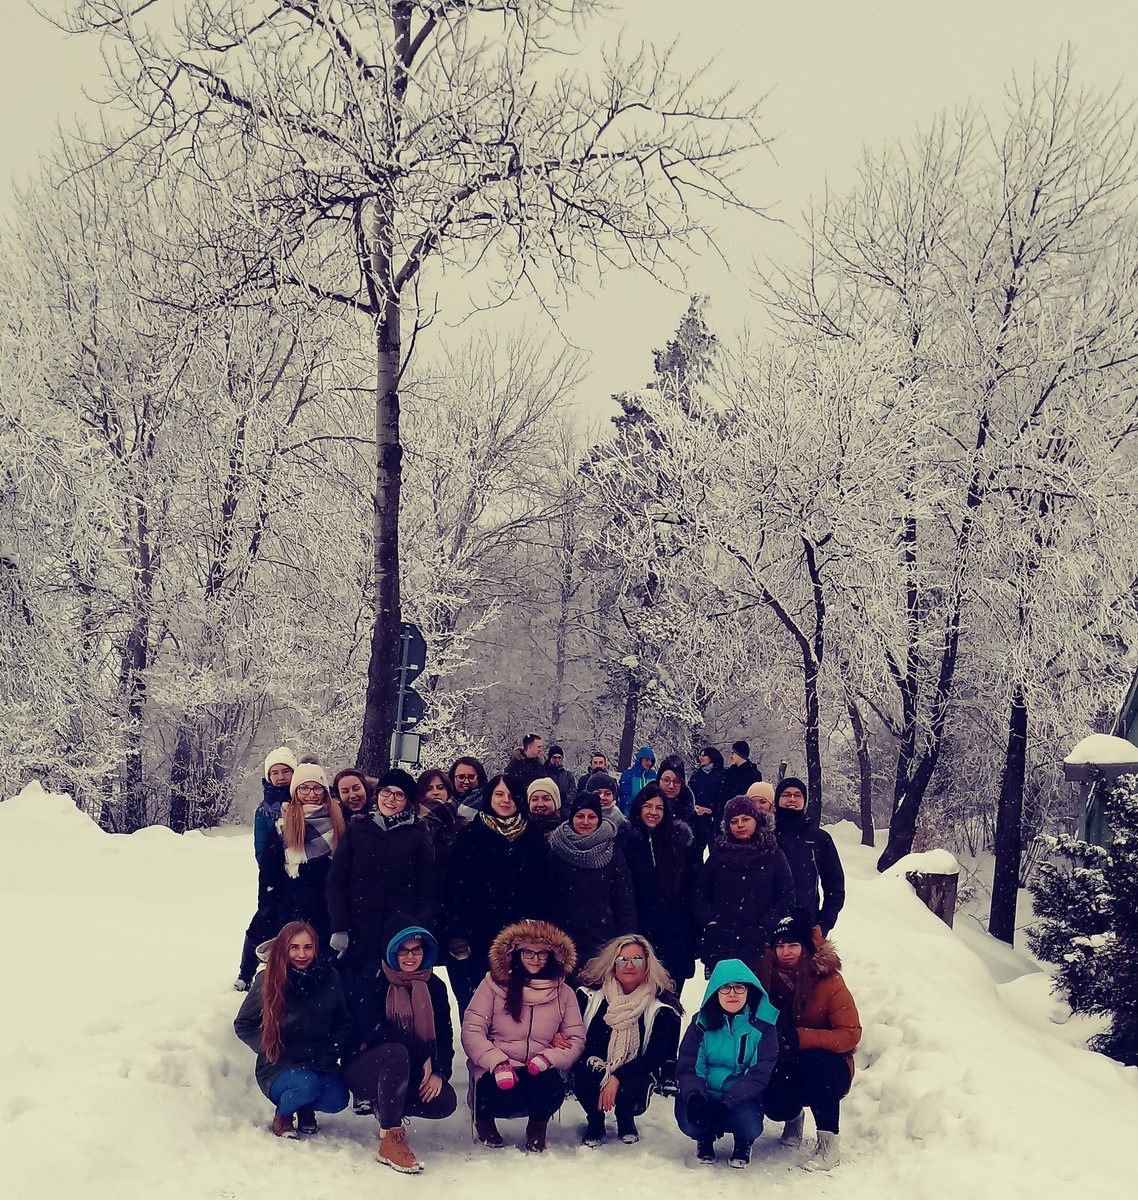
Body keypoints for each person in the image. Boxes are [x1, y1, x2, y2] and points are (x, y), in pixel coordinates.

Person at [341, 919, 459, 1173]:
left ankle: (386, 1105)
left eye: (416, 950)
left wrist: (440, 1072)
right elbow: (373, 1030)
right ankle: (390, 1136)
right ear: (391, 950)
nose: (410, 956)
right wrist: (422, 1052)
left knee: (444, 1101)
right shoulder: (372, 977)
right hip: (365, 1066)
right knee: (396, 1051)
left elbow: (445, 1035)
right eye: (403, 950)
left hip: (409, 1069)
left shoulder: (434, 986)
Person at [460, 918, 585, 1152]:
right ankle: (484, 1119)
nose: (535, 959)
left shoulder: (564, 993)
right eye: (528, 952)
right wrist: (496, 1062)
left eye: (542, 953)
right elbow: (472, 1030)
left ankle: (537, 1126)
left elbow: (575, 1038)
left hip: (538, 1065)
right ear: (515, 954)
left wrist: (549, 1058)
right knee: (498, 1094)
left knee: (550, 1087)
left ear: (553, 956)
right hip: (497, 1066)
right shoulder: (492, 986)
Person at [758, 915, 861, 1171]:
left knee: (817, 1063)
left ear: (805, 947)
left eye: (793, 945)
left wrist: (801, 1037)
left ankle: (828, 1144)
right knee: (774, 1104)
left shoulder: (829, 980)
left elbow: (850, 1033)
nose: (785, 952)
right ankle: (793, 1116)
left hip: (829, 1064)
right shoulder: (765, 974)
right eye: (780, 946)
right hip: (784, 1058)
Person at [233, 921, 351, 1138]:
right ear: (283, 949)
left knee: (338, 1099)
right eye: (294, 947)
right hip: (280, 1063)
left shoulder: (330, 976)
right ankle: (284, 1115)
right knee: (305, 1085)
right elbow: (243, 1024)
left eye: (308, 947)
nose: (301, 954)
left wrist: (332, 1049)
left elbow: (343, 1020)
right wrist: (270, 1046)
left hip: (318, 1059)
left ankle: (305, 1108)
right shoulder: (268, 979)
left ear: (316, 948)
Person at [442, 774, 549, 1013]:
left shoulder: (533, 835)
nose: (505, 800)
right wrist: (456, 932)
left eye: (511, 795)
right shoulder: (471, 834)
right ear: (489, 797)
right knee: (479, 1007)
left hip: (521, 936)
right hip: (478, 934)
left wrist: (540, 927)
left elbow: (545, 886)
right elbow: (455, 886)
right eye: (499, 794)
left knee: (517, 1008)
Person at [572, 936, 682, 1147]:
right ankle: (595, 1121)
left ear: (647, 964)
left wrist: (616, 1077)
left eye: (637, 959)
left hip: (636, 1070)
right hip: (596, 1064)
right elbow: (574, 1033)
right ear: (613, 963)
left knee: (631, 1092)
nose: (629, 966)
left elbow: (655, 1056)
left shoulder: (660, 1005)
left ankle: (625, 1117)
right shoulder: (589, 994)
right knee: (584, 1073)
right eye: (622, 960)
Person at [325, 768, 435, 976]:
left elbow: (426, 892)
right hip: (358, 930)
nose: (390, 799)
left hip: (399, 935)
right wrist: (339, 926)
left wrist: (419, 931)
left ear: (408, 801)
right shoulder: (358, 830)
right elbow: (336, 881)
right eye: (386, 791)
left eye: (399, 794)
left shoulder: (417, 836)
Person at [675, 958, 780, 1168]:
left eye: (739, 987)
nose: (732, 993)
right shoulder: (700, 1024)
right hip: (705, 1093)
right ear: (716, 991)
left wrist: (726, 1105)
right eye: (725, 988)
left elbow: (758, 1074)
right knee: (690, 1121)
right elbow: (688, 1067)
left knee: (748, 1124)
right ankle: (704, 1138)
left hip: (741, 1098)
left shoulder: (764, 1027)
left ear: (749, 990)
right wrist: (696, 1098)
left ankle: (743, 1142)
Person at [253, 763, 346, 958]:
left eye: (317, 788)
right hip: (292, 914)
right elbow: (269, 879)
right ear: (295, 791)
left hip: (329, 916)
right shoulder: (281, 828)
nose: (312, 794)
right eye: (304, 788)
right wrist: (267, 919)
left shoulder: (340, 823)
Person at [693, 795, 793, 975]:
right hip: (721, 947)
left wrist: (765, 926)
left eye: (746, 819)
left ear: (757, 820)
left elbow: (786, 897)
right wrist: (711, 922)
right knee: (725, 992)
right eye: (734, 821)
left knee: (759, 992)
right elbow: (700, 894)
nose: (740, 825)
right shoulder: (718, 855)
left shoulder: (775, 855)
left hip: (760, 947)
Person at [622, 785, 700, 1000]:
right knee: (637, 1002)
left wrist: (693, 934)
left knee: (669, 1001)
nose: (653, 812)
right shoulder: (626, 843)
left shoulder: (678, 843)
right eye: (648, 806)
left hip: (676, 936)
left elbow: (692, 889)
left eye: (659, 807)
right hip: (640, 933)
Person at [545, 793, 638, 969]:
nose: (585, 822)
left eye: (592, 816)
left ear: (599, 819)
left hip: (603, 941)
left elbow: (624, 900)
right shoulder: (556, 850)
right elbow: (547, 899)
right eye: (580, 816)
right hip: (563, 941)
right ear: (572, 818)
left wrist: (626, 940)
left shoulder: (612, 851)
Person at [235, 746, 298, 989]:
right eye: (274, 772)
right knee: (262, 921)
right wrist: (273, 869)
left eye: (285, 771)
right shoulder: (263, 811)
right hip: (274, 876)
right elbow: (260, 847)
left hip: (303, 875)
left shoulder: (305, 799)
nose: (280, 777)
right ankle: (246, 973)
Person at [772, 777, 846, 936]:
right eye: (786, 794)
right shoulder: (765, 836)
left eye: (798, 795)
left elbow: (835, 885)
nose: (792, 799)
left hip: (805, 926)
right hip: (766, 925)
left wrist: (824, 924)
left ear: (804, 801)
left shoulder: (819, 839)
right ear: (777, 800)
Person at [416, 767, 464, 878]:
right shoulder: (413, 821)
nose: (436, 792)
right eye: (429, 789)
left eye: (440, 787)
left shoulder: (461, 824)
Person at [690, 746, 725, 858]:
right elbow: (690, 795)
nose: (700, 758)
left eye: (704, 755)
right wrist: (694, 807)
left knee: (717, 855)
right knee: (694, 856)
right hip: (697, 821)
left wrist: (711, 810)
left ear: (712, 757)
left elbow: (724, 798)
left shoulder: (723, 775)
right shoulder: (696, 775)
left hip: (715, 822)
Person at [718, 741, 762, 812]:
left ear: (739, 754)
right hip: (727, 812)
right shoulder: (728, 773)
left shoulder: (753, 774)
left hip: (744, 812)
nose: (731, 756)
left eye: (733, 753)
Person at [618, 746, 656, 816]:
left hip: (648, 813)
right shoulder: (629, 774)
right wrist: (636, 805)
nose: (649, 763)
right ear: (640, 759)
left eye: (651, 761)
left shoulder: (653, 775)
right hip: (629, 813)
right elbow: (624, 795)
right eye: (647, 760)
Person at [656, 761, 697, 826]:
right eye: (666, 780)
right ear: (659, 781)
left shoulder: (692, 818)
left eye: (677, 781)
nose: (671, 786)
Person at [449, 756, 488, 822]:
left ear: (479, 778)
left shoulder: (488, 802)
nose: (466, 781)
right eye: (461, 777)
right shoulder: (444, 801)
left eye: (471, 777)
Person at [545, 745, 576, 814]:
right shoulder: (544, 774)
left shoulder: (568, 775)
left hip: (565, 811)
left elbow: (573, 792)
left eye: (559, 758)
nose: (557, 760)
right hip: (548, 810)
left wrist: (565, 798)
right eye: (554, 757)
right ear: (550, 758)